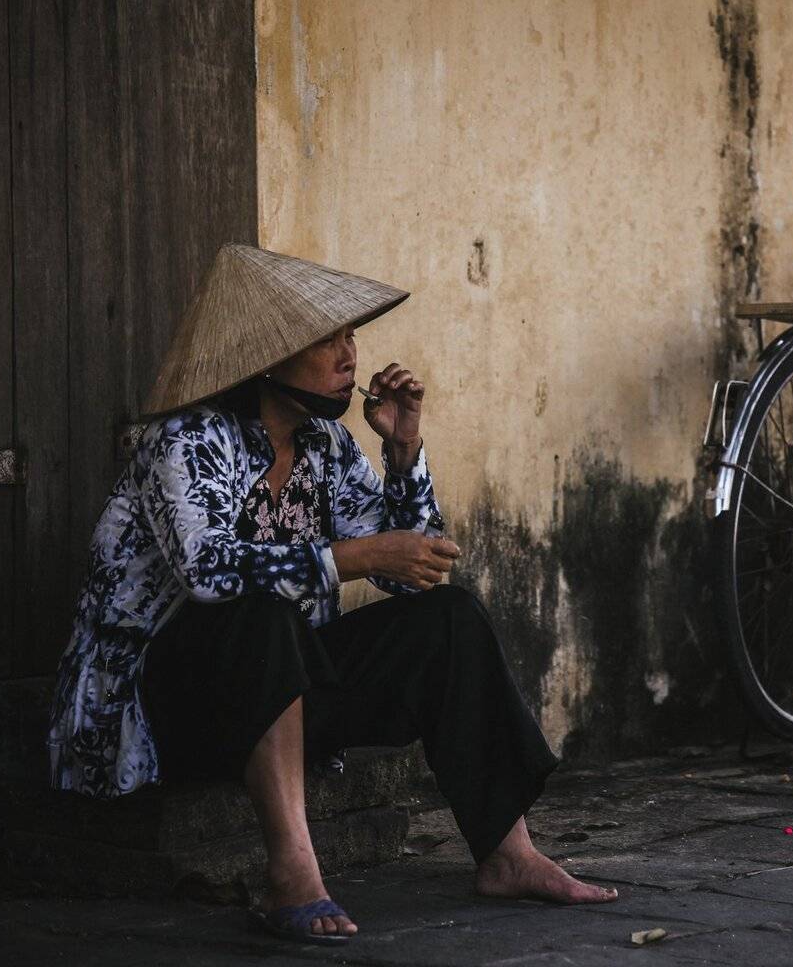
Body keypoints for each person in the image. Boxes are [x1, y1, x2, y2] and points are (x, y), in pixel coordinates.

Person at [47, 243, 615, 946]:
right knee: (261, 614)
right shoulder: (186, 440)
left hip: (277, 684)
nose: (351, 355)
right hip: (161, 705)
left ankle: (508, 854)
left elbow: (411, 568)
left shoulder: (327, 445)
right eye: (329, 340)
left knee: (450, 619)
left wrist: (403, 453)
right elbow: (208, 571)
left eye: (351, 335)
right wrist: (357, 556)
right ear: (266, 359)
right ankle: (292, 875)